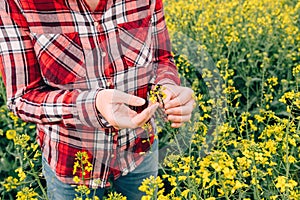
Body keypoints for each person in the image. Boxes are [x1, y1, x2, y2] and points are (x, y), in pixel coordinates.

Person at [0, 0, 194, 199]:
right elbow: (22, 97)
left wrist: (168, 88)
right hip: (70, 164)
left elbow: (161, 59)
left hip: (139, 150)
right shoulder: (16, 3)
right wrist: (93, 105)